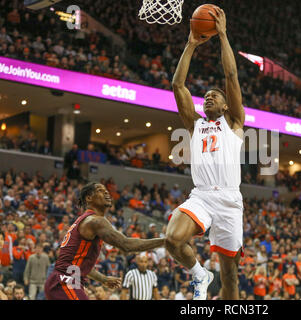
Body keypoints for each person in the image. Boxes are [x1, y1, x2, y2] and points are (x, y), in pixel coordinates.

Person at [166, 7, 245, 300]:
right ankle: (199, 273)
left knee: (230, 276)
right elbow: (177, 85)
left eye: (215, 95)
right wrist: (190, 44)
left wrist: (223, 35)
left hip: (229, 199)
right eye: (206, 95)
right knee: (173, 239)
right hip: (201, 195)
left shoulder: (234, 122)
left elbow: (231, 74)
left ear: (225, 106)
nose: (208, 96)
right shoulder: (195, 124)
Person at [44, 182, 165, 300]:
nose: (107, 193)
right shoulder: (95, 221)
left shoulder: (88, 220)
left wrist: (103, 279)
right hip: (64, 281)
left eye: (107, 191)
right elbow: (126, 245)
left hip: (67, 281)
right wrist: (165, 241)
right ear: (89, 197)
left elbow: (79, 265)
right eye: (100, 191)